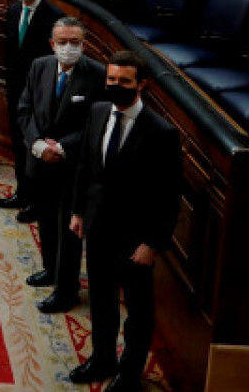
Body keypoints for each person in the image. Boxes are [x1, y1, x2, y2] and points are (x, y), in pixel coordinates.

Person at [69, 51, 182, 392]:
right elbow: (85, 167)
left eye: (124, 81)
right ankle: (102, 359)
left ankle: (130, 374)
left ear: (141, 85)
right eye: (111, 79)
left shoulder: (162, 133)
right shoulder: (98, 111)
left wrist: (153, 243)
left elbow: (168, 196)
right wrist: (78, 211)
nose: (115, 85)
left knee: (138, 312)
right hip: (98, 228)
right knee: (101, 301)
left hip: (135, 239)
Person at [18, 17, 104, 314]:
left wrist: (63, 147)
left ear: (84, 44)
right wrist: (38, 145)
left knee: (69, 230)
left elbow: (96, 124)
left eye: (75, 42)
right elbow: (25, 110)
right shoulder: (39, 66)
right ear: (52, 44)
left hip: (73, 165)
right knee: (45, 218)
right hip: (41, 159)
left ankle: (67, 291)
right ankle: (50, 270)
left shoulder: (97, 74)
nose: (68, 47)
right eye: (63, 42)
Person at [0, 0, 62, 217]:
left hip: (41, 94)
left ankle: (37, 201)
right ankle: (22, 193)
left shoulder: (54, 16)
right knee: (19, 143)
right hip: (16, 91)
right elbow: (10, 54)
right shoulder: (13, 11)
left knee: (37, 144)